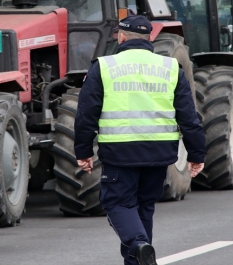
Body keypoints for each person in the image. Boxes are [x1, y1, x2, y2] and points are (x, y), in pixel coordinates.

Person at [75, 15, 206, 265]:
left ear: (121, 37)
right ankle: (140, 260)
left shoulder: (104, 66)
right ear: (149, 39)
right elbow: (189, 117)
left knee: (118, 204)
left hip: (119, 152)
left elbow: (86, 114)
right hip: (159, 153)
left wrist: (83, 151)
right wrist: (196, 154)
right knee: (144, 206)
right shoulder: (170, 68)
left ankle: (139, 244)